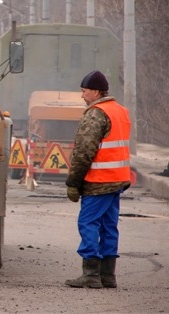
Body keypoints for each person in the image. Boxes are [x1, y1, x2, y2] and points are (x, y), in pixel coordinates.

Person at [65, 70, 131, 289]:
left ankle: (91, 274)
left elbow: (85, 150)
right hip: (118, 179)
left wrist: (73, 182)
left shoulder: (96, 113)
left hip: (99, 180)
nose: (82, 96)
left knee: (88, 223)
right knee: (109, 226)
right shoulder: (120, 111)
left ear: (95, 91)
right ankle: (108, 276)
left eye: (84, 91)